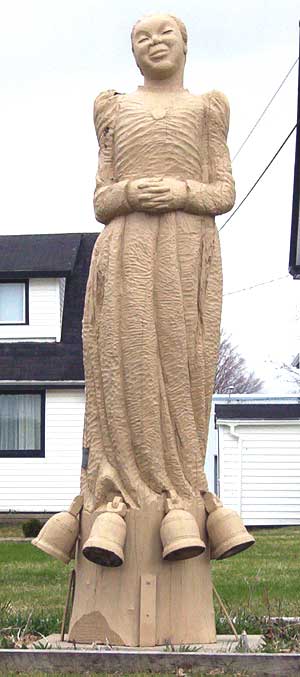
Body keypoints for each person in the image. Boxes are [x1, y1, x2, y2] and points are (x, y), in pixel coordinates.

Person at [81, 14, 235, 515]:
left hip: (186, 250)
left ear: (185, 44)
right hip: (128, 251)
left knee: (182, 361)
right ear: (133, 53)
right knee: (126, 361)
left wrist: (182, 191)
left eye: (165, 34)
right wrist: (128, 192)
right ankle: (121, 489)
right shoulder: (115, 109)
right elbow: (100, 200)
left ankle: (183, 489)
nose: (154, 43)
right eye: (142, 38)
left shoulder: (205, 109)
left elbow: (224, 191)